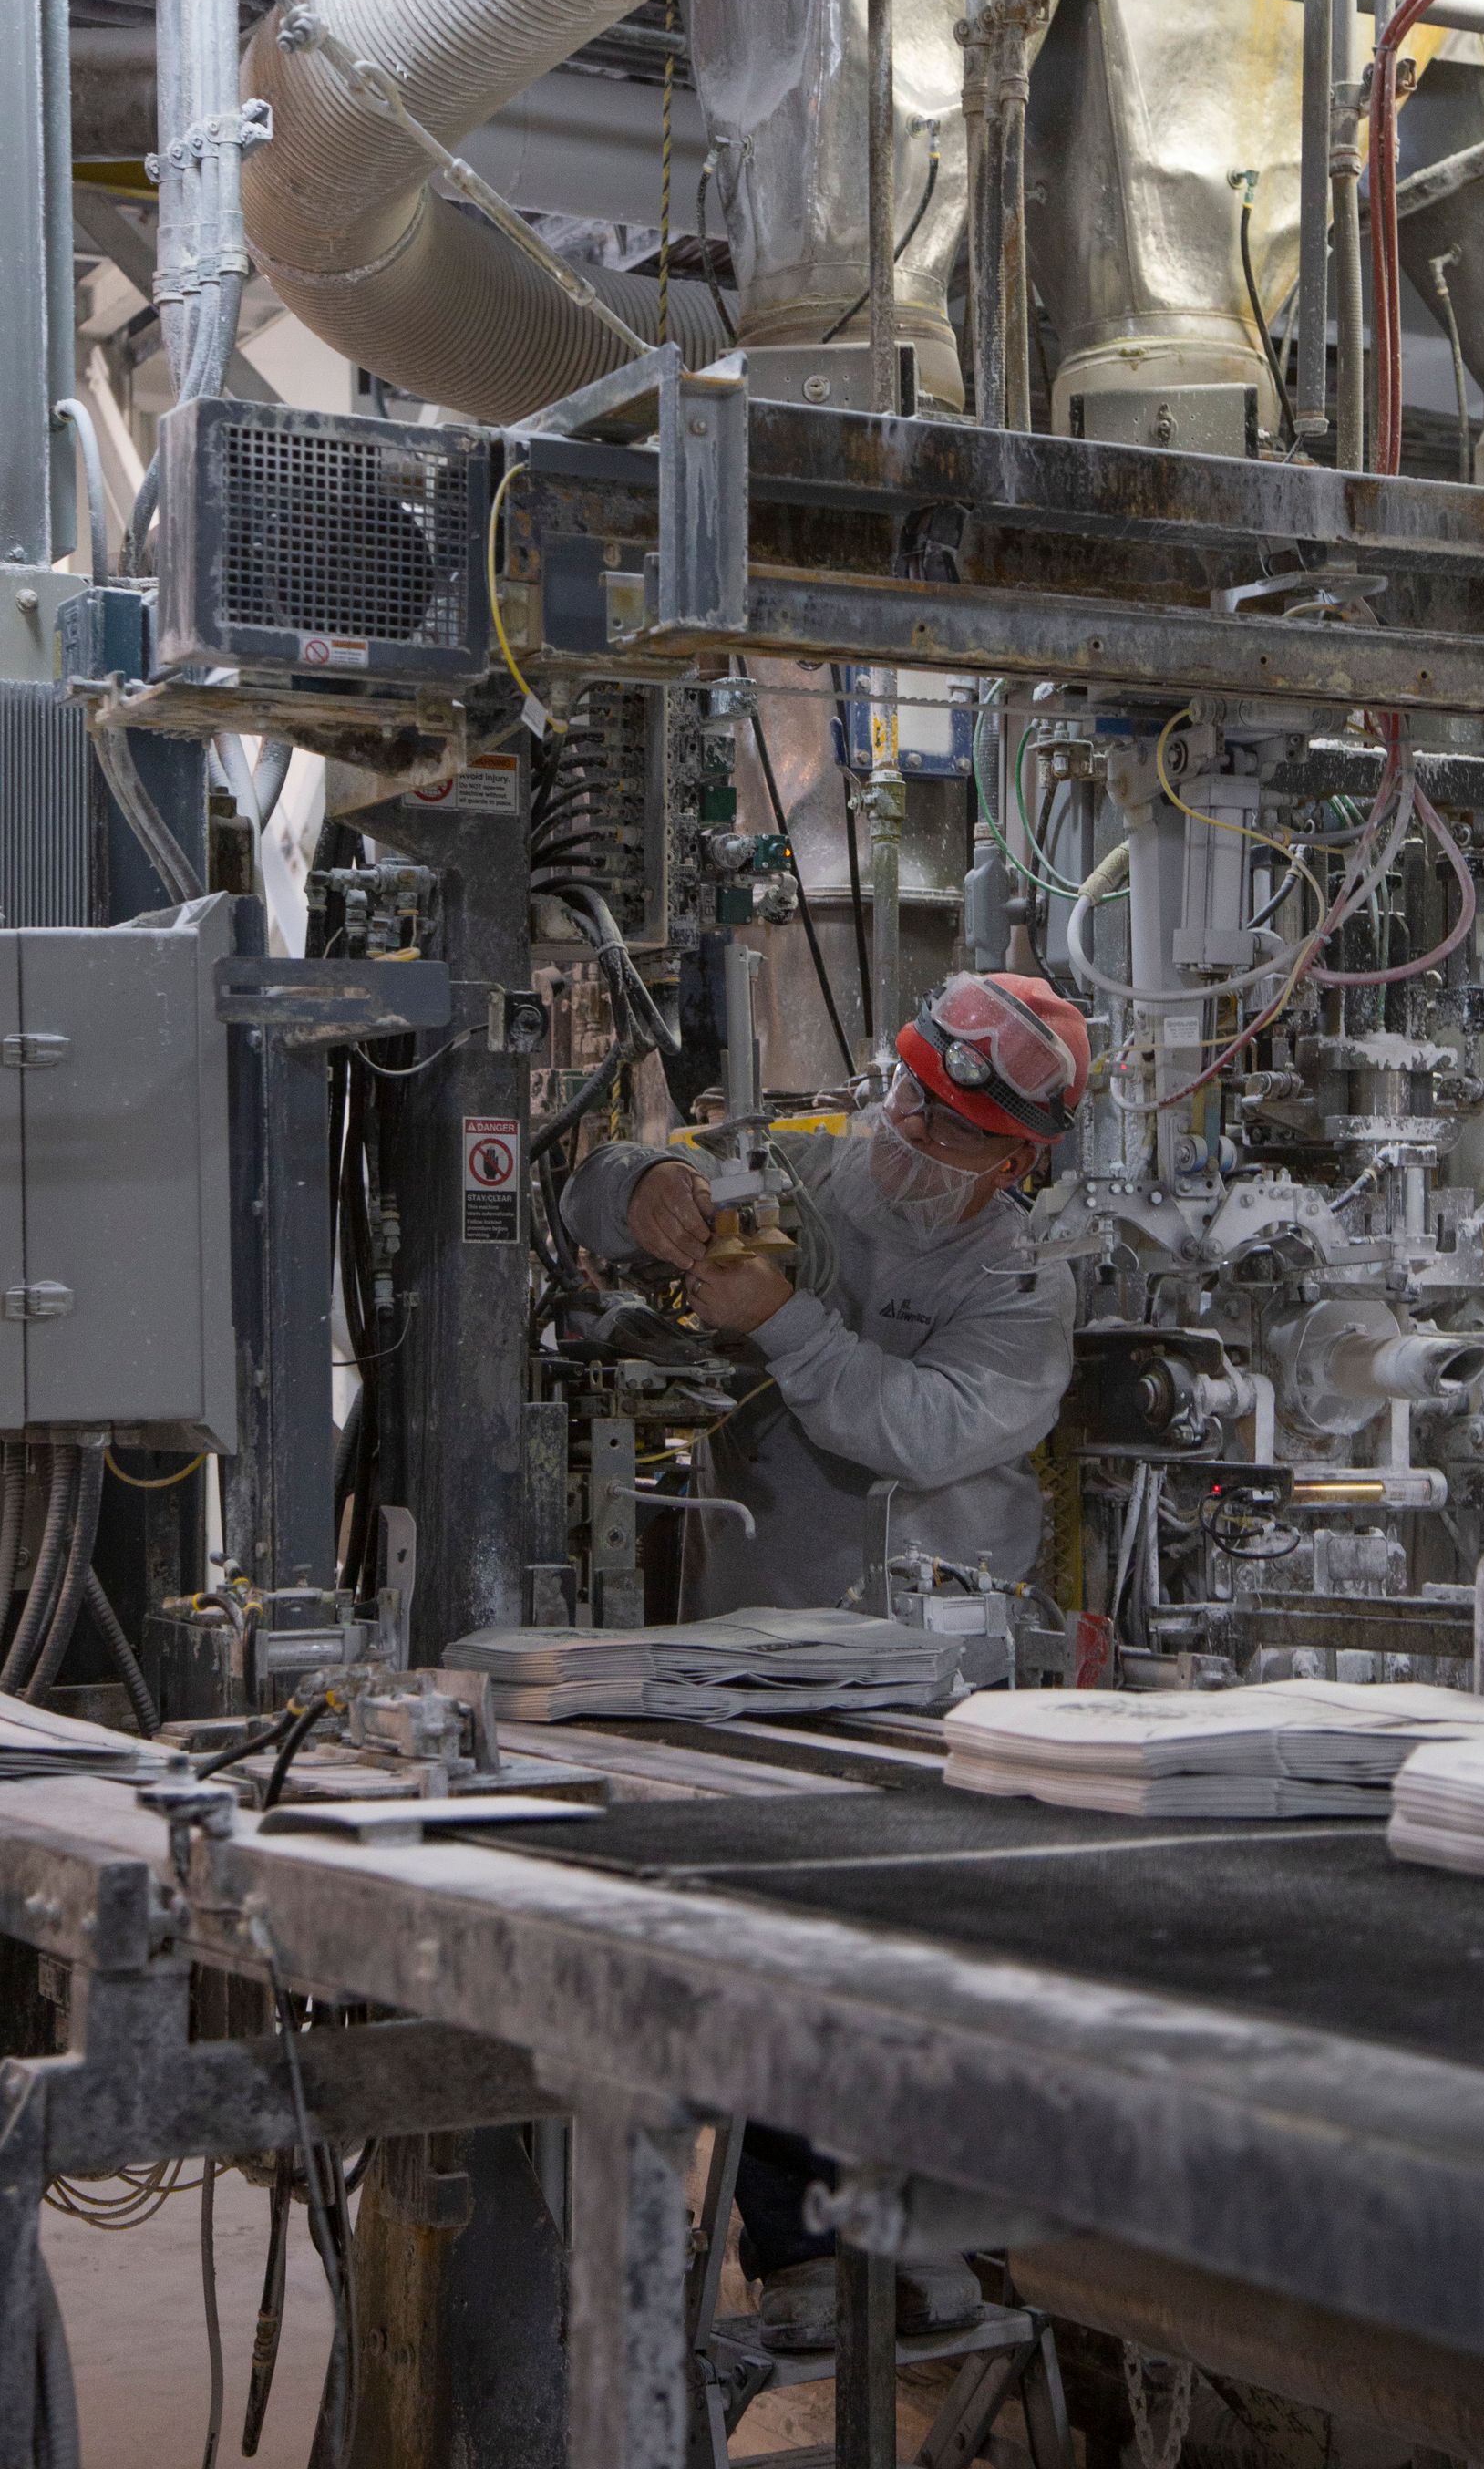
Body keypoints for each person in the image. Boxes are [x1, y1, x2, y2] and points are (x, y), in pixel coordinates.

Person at [562, 971, 1090, 2347]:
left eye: (955, 1129)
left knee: (929, 1961)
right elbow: (582, 1192)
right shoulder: (792, 1169)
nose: (913, 1135)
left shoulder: (1019, 1277)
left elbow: (925, 1427)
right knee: (772, 1951)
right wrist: (643, 1185)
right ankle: (797, 2246)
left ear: (1015, 1160)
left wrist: (782, 1322)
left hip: (934, 1663)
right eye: (910, 1097)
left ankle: (930, 2232)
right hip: (761, 1644)